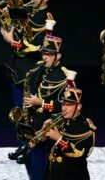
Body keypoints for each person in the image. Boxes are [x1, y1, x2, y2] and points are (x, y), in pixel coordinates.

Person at [0, 0, 56, 163]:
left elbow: (39, 47)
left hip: (33, 69)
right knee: (19, 109)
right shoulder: (26, 10)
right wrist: (8, 18)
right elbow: (15, 30)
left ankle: (33, 147)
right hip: (17, 66)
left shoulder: (47, 18)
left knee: (31, 111)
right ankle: (24, 144)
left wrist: (12, 42)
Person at [21, 35, 70, 180]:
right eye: (43, 53)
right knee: (35, 164)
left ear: (58, 56)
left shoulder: (65, 76)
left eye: (49, 54)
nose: (45, 57)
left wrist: (41, 103)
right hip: (35, 124)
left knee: (50, 167)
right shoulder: (39, 69)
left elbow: (67, 107)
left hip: (52, 126)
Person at [42, 86, 96, 180]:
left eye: (69, 105)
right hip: (52, 174)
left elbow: (78, 154)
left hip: (72, 175)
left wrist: (59, 138)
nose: (64, 108)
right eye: (63, 104)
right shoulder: (57, 119)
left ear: (78, 107)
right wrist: (43, 133)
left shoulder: (86, 126)